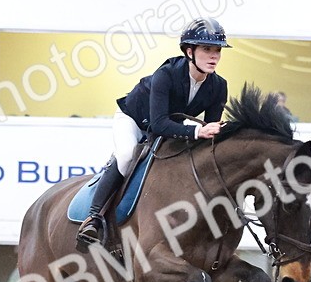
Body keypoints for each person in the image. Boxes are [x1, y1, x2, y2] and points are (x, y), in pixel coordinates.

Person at [76, 17, 231, 250]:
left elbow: (208, 134)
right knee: (128, 155)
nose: (214, 56)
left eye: (217, 50)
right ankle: (93, 217)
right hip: (134, 120)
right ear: (189, 51)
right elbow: (159, 124)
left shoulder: (218, 85)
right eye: (207, 49)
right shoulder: (166, 75)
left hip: (171, 128)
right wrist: (198, 130)